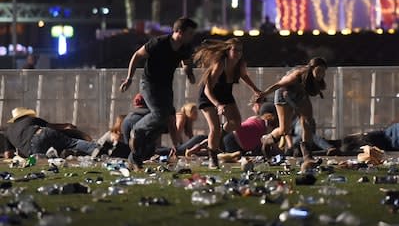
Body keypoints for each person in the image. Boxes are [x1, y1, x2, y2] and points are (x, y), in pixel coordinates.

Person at [119, 17, 198, 171]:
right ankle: (137, 129)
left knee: (166, 119)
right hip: (149, 84)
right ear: (179, 32)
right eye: (190, 33)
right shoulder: (159, 43)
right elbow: (137, 56)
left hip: (166, 87)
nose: (191, 36)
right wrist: (129, 78)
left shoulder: (185, 47)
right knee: (160, 113)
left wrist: (189, 73)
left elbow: (186, 62)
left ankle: (134, 158)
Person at [194, 38, 262, 168]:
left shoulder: (240, 63)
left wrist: (255, 89)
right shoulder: (220, 63)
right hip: (209, 96)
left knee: (236, 122)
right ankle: (213, 158)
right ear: (228, 50)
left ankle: (217, 138)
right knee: (214, 127)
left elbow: (244, 76)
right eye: (234, 50)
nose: (237, 53)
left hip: (225, 94)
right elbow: (208, 90)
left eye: (240, 50)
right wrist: (218, 105)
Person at [257, 57, 328, 164]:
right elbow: (279, 84)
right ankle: (267, 140)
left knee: (307, 121)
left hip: (299, 95)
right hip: (283, 95)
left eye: (323, 71)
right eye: (318, 70)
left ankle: (307, 156)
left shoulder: (315, 79)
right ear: (311, 68)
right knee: (284, 130)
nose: (321, 74)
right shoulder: (297, 75)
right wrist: (264, 94)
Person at [4, 107, 101, 158]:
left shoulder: (8, 131)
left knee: (51, 156)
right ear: (24, 114)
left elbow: (8, 154)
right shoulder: (30, 119)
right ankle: (96, 149)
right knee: (72, 143)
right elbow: (51, 126)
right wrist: (67, 125)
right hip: (42, 133)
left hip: (33, 150)